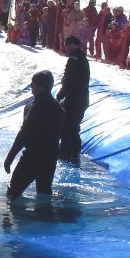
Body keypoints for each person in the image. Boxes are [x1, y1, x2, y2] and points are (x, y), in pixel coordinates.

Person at [4, 70, 64, 200]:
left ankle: (11, 220)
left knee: (12, 193)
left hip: (33, 157)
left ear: (40, 86)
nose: (31, 86)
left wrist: (10, 157)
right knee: (44, 193)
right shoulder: (58, 107)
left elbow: (23, 135)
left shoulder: (33, 107)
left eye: (33, 83)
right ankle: (45, 218)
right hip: (51, 157)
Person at [56, 35, 90, 164]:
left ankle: (67, 153)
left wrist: (60, 95)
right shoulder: (82, 57)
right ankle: (73, 153)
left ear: (73, 44)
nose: (66, 48)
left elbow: (70, 80)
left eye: (67, 45)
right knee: (73, 126)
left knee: (68, 126)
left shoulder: (74, 59)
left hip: (75, 98)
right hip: (81, 98)